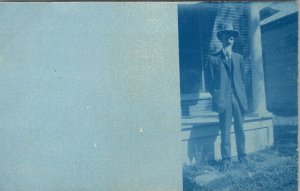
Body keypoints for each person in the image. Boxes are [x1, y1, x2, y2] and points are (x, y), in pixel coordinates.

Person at [207, 24, 248, 169]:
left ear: (233, 40)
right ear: (221, 39)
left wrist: (240, 95)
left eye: (231, 38)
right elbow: (210, 83)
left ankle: (242, 156)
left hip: (238, 99)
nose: (229, 40)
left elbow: (242, 79)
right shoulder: (214, 59)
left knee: (240, 129)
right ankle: (226, 160)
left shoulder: (239, 58)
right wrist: (218, 95)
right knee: (225, 130)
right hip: (224, 100)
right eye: (226, 37)